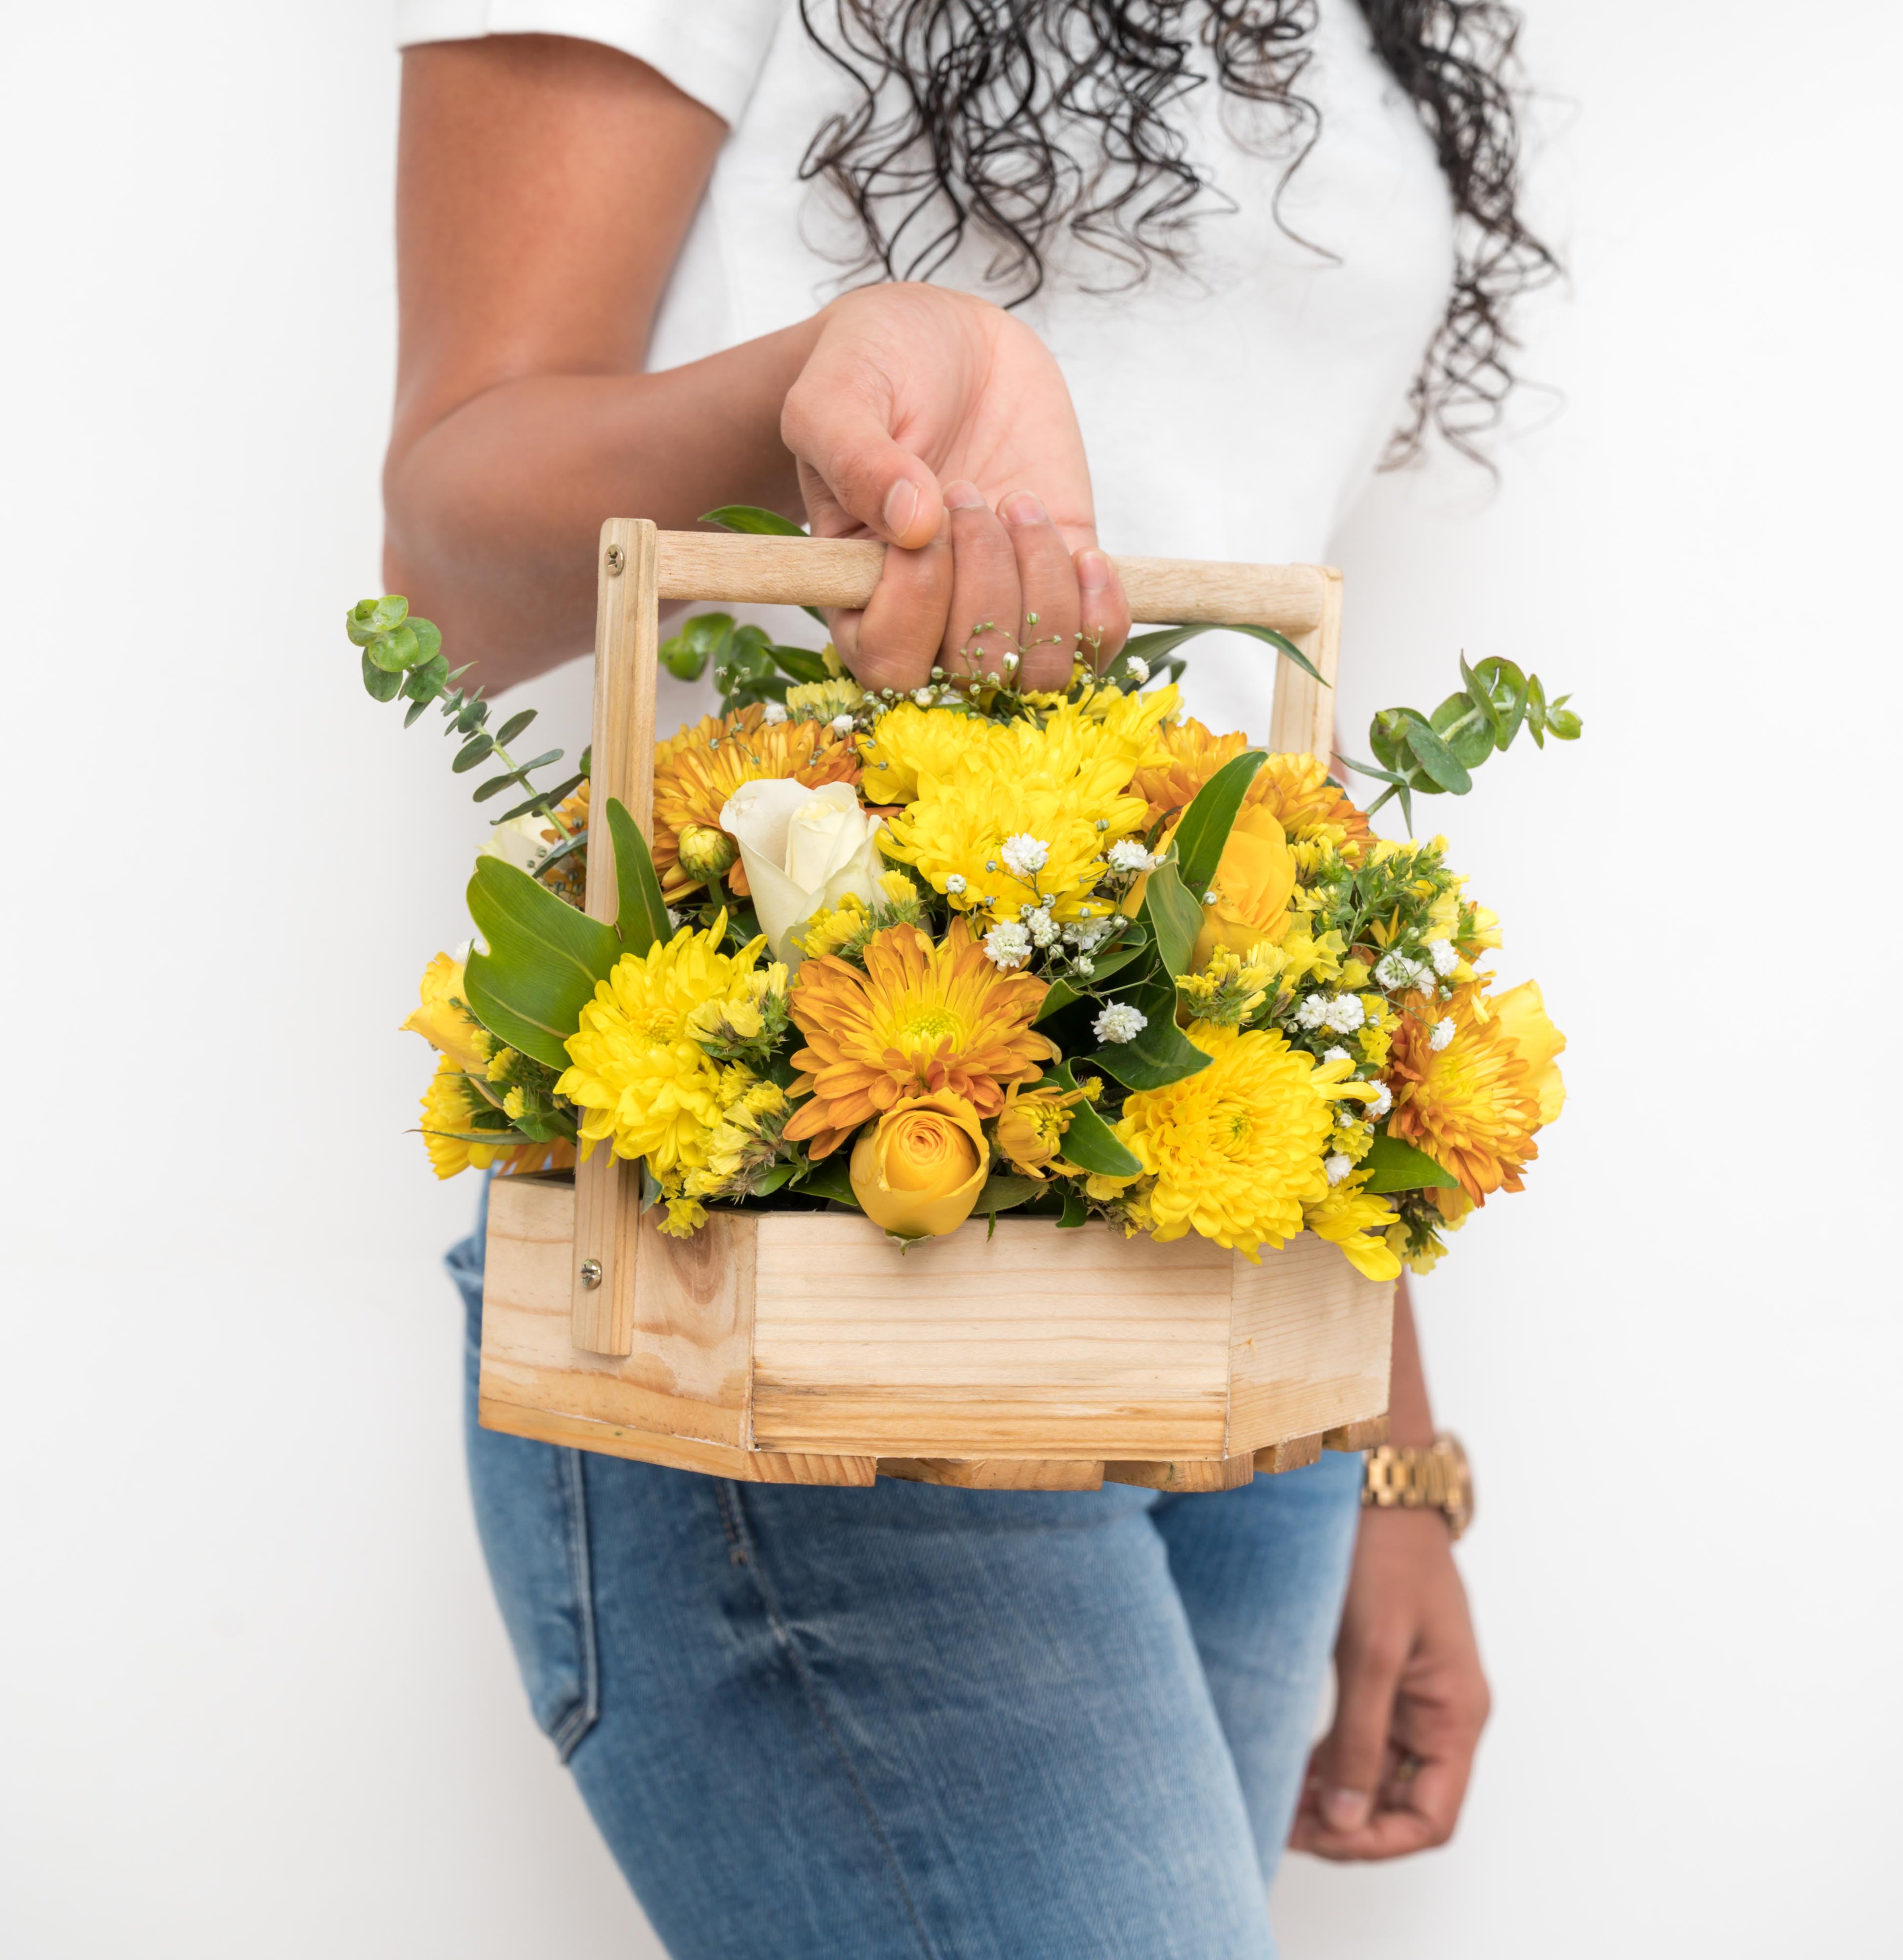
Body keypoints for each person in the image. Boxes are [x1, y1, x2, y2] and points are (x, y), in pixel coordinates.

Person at [392, 5, 1542, 1953]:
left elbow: (1239, 688)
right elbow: (448, 542)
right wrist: (814, 398)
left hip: (1228, 1282)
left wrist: (1381, 1427)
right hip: (805, 1271)